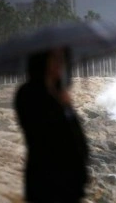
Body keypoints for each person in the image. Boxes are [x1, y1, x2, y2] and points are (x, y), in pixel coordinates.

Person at [14, 47, 89, 203]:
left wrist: (67, 107)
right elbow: (42, 134)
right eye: (55, 58)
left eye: (62, 59)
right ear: (42, 61)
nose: (60, 64)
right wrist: (61, 105)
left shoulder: (58, 91)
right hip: (46, 181)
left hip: (70, 183)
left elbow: (75, 134)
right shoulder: (28, 93)